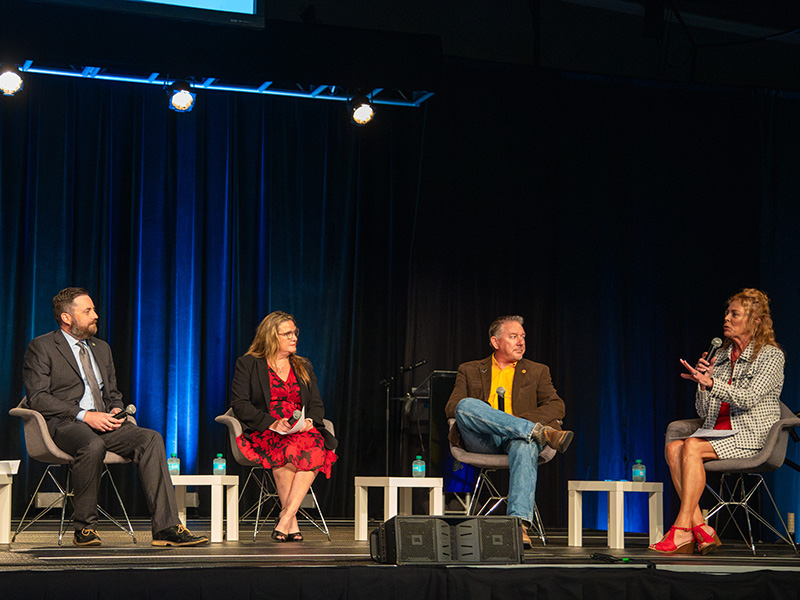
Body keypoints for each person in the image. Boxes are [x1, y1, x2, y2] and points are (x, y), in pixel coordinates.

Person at [22, 287, 208, 547]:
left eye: (94, 309)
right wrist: (86, 416)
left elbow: (113, 394)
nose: (95, 315)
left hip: (104, 423)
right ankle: (85, 528)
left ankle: (166, 528)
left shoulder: (101, 348)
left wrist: (113, 410)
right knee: (91, 444)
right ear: (66, 317)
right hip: (65, 424)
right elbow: (38, 398)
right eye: (88, 311)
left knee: (151, 438)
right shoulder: (42, 347)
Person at [650, 288, 784, 555]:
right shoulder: (720, 356)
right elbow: (702, 409)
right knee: (673, 448)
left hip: (752, 434)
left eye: (734, 314)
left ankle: (681, 529)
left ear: (755, 322)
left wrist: (713, 383)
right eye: (726, 312)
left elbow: (748, 398)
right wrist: (703, 384)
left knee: (691, 446)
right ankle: (702, 527)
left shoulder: (770, 356)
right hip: (717, 433)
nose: (726, 318)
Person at [445, 315, 574, 548]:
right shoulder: (470, 369)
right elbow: (452, 406)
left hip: (517, 439)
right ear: (495, 342)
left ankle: (519, 525)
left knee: (524, 443)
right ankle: (539, 432)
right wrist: (503, 421)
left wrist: (518, 423)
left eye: (523, 337)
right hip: (482, 439)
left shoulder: (537, 371)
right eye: (513, 336)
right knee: (466, 405)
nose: (521, 342)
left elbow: (557, 406)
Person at [230, 311, 337, 542]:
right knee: (287, 450)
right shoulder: (248, 364)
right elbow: (239, 404)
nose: (294, 337)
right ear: (271, 336)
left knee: (313, 446)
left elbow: (317, 404)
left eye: (295, 332)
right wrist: (272, 422)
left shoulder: (303, 366)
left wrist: (310, 422)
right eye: (287, 333)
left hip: (302, 430)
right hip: (266, 430)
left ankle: (286, 517)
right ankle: (291, 521)